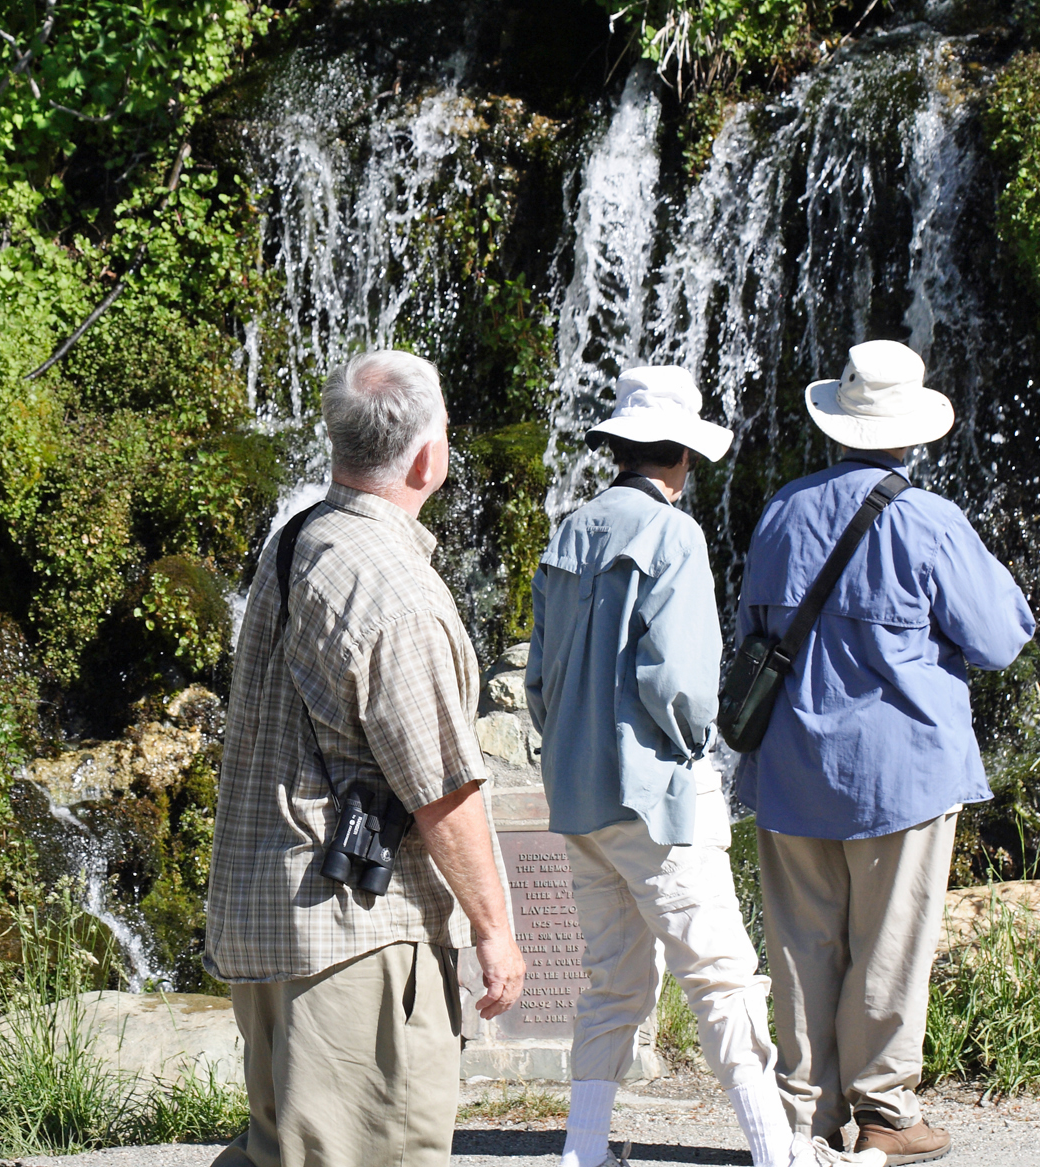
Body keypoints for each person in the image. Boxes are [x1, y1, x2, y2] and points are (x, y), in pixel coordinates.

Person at [525, 367, 879, 1167]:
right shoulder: (674, 536)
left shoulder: (567, 530)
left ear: (619, 447)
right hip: (657, 795)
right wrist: (696, 746)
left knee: (612, 981)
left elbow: (540, 684)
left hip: (578, 799)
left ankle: (584, 1151)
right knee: (720, 973)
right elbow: (678, 681)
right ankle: (777, 1153)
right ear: (683, 456)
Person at [204, 349, 526, 1167]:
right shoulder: (398, 593)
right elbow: (443, 790)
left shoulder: (299, 538)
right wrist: (496, 931)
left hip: (270, 918)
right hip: (358, 938)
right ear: (428, 455)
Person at [736, 340, 1036, 1164]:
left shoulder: (781, 511)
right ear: (912, 434)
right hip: (901, 770)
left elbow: (749, 635)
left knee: (799, 942)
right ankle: (884, 1112)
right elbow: (1001, 637)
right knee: (891, 940)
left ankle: (800, 1112)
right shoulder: (931, 522)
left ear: (836, 422)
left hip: (793, 764)